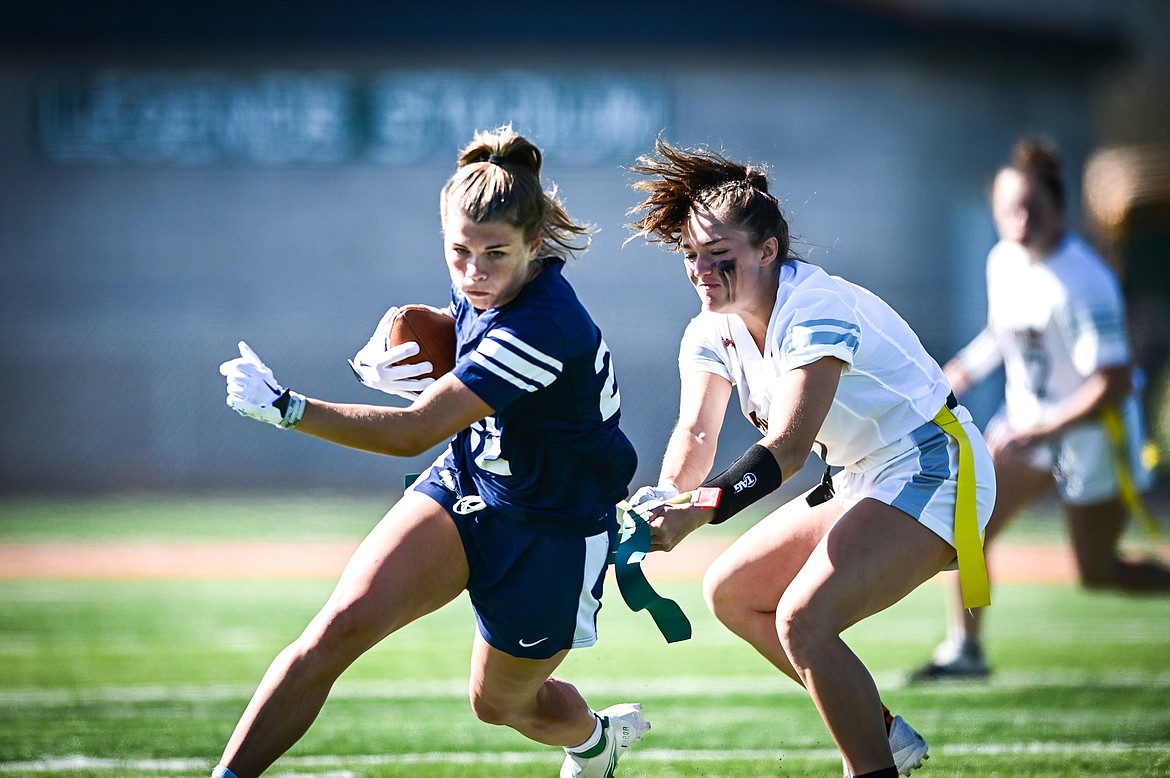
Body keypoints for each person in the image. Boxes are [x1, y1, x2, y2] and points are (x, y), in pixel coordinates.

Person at [213, 126, 649, 778]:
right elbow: (448, 332)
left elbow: (412, 433)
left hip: (552, 527)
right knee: (336, 630)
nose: (474, 272)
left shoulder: (544, 324)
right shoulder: (486, 276)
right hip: (474, 479)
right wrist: (390, 360)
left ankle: (592, 738)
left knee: (500, 705)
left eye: (495, 254)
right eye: (458, 253)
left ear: (535, 245)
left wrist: (287, 406)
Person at [624, 138, 997, 778]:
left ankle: (869, 767)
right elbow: (694, 433)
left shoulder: (815, 308)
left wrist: (698, 515)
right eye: (692, 256)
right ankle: (883, 737)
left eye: (719, 255)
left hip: (932, 465)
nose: (702, 270)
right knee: (734, 592)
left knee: (803, 621)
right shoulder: (709, 327)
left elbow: (789, 449)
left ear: (769, 251)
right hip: (862, 474)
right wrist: (664, 499)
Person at [911, 137, 1168, 681]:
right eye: (1009, 208)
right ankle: (965, 650)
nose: (1020, 218)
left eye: (1032, 207)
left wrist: (1040, 427)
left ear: (1060, 208)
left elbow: (1115, 382)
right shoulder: (1003, 258)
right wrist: (958, 370)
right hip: (1027, 428)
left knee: (1097, 573)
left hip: (1094, 438)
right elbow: (1003, 334)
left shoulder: (1084, 280)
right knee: (966, 529)